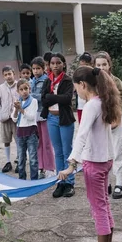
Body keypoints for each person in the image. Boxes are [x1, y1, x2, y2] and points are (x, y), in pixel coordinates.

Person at [59, 66, 121, 242]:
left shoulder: (91, 105)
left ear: (82, 85)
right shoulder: (103, 100)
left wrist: (71, 164)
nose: (77, 92)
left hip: (94, 163)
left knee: (99, 211)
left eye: (76, 88)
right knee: (104, 206)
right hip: (105, 160)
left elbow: (81, 135)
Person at [41, 53, 76, 198]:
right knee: (58, 151)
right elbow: (43, 100)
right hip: (51, 119)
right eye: (52, 63)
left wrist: (51, 97)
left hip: (65, 119)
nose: (55, 66)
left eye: (58, 63)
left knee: (67, 151)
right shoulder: (47, 81)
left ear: (63, 64)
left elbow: (67, 99)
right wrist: (51, 99)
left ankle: (70, 183)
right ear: (49, 65)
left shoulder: (67, 80)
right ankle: (60, 182)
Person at [95, 52, 122, 199]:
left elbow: (119, 104)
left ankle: (119, 183)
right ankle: (105, 183)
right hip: (100, 125)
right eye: (98, 65)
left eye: (104, 64)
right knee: (103, 155)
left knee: (117, 152)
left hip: (114, 123)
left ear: (109, 65)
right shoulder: (93, 82)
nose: (101, 67)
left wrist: (115, 122)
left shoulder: (117, 82)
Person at [30, 56, 55, 178]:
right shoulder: (31, 81)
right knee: (38, 143)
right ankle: (41, 167)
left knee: (47, 143)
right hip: (34, 115)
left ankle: (50, 167)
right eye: (33, 69)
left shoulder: (46, 80)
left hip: (44, 114)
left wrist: (31, 96)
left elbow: (44, 97)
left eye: (38, 68)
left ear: (43, 68)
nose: (35, 71)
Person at [12, 79, 39, 180]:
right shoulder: (18, 102)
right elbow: (14, 119)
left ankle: (34, 180)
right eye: (21, 89)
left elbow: (32, 117)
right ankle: (22, 179)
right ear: (18, 91)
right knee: (21, 158)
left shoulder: (33, 101)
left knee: (33, 158)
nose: (24, 91)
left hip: (31, 132)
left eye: (26, 89)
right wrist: (16, 110)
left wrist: (21, 110)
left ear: (30, 89)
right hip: (20, 132)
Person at [0, 65, 19, 173]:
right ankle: (7, 161)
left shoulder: (19, 85)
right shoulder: (0, 88)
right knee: (6, 140)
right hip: (5, 118)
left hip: (16, 118)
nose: (8, 77)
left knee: (18, 140)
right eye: (5, 75)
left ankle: (19, 160)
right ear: (3, 76)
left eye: (9, 74)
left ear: (14, 74)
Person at [77, 52, 93, 123]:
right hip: (81, 105)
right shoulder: (77, 76)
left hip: (91, 106)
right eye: (81, 65)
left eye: (86, 65)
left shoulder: (93, 75)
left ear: (91, 64)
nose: (83, 67)